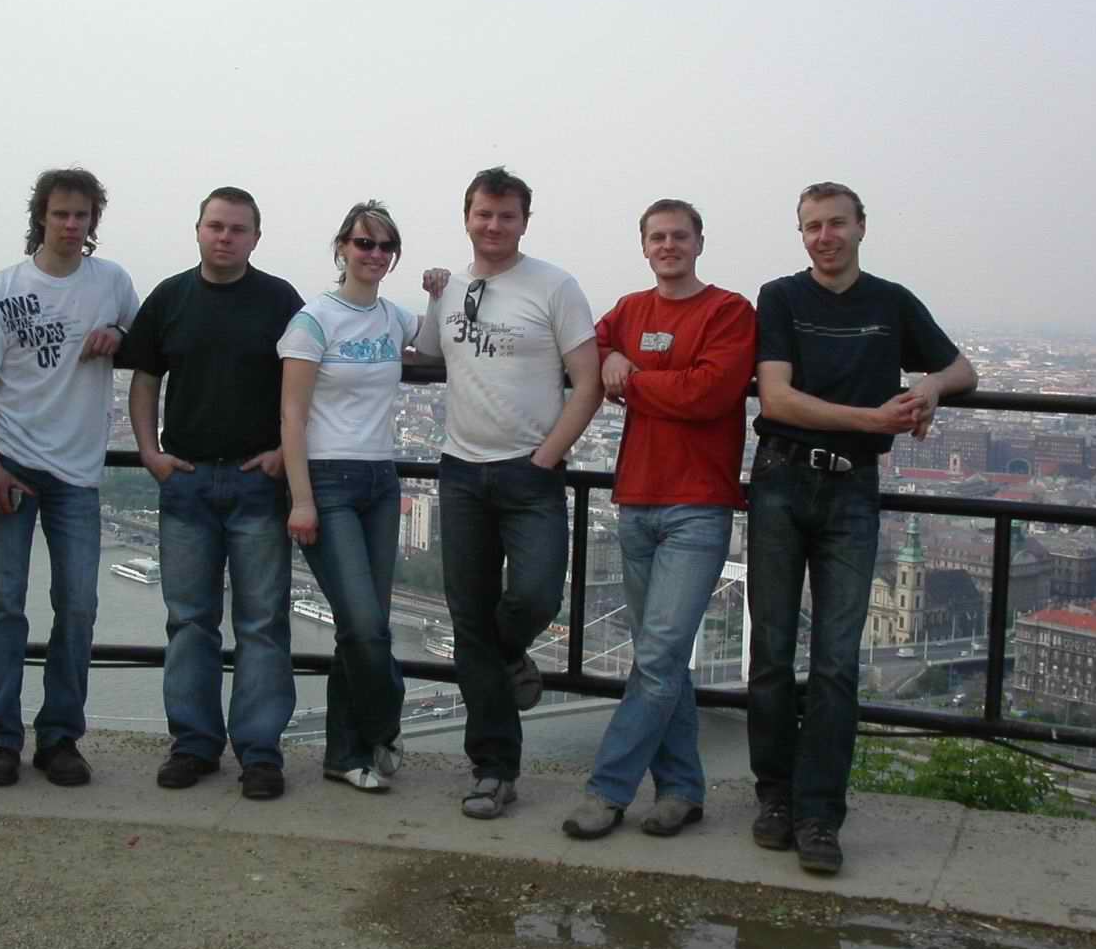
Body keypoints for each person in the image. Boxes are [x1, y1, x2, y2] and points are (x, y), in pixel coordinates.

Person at [747, 181, 977, 874]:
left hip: (852, 488)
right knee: (772, 651)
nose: (824, 236)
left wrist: (927, 387)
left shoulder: (891, 302)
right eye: (812, 226)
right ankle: (776, 797)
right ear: (802, 234)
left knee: (837, 661)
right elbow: (777, 398)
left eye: (835, 224)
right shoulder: (780, 297)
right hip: (783, 479)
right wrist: (875, 420)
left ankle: (819, 814)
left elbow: (961, 368)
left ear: (860, 227)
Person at [561, 198, 755, 840]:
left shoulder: (728, 311)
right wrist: (611, 359)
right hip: (636, 501)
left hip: (698, 505)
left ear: (699, 242)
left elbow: (709, 393)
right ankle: (680, 790)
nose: (668, 246)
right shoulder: (629, 310)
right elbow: (590, 345)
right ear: (644, 246)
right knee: (661, 660)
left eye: (679, 236)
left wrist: (632, 379)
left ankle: (607, 789)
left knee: (657, 655)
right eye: (657, 237)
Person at [414, 166, 602, 819]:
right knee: (468, 617)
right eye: (484, 214)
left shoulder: (555, 286)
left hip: (530, 472)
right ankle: (493, 769)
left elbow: (587, 381)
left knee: (536, 595)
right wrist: (433, 293)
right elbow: (425, 350)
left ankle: (507, 654)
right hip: (461, 470)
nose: (493, 226)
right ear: (467, 217)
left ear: (524, 222)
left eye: (506, 216)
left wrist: (546, 456)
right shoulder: (452, 287)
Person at [0, 168, 140, 788]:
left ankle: (60, 735)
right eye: (61, 214)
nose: (70, 225)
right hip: (11, 462)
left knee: (79, 607)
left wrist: (119, 332)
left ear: (93, 222)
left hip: (78, 473)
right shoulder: (1, 288)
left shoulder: (111, 282)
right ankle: (1, 735)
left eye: (81, 215)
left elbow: (145, 337)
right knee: (3, 605)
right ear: (41, 216)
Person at [123, 187, 303, 800]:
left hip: (258, 481)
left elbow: (305, 381)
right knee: (190, 621)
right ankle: (194, 744)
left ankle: (259, 750)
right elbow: (145, 378)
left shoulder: (280, 300)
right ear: (198, 230)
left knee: (262, 623)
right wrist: (149, 452)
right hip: (188, 479)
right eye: (216, 226)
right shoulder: (170, 298)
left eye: (237, 229)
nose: (225, 237)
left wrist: (283, 452)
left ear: (256, 238)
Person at [278, 201, 420, 793]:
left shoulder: (394, 317)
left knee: (362, 626)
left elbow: (444, 339)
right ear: (342, 247)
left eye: (386, 246)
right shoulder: (314, 321)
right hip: (328, 482)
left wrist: (442, 290)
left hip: (381, 482)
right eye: (364, 243)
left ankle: (345, 752)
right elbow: (292, 414)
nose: (375, 254)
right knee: (365, 626)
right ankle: (386, 724)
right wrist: (301, 499)